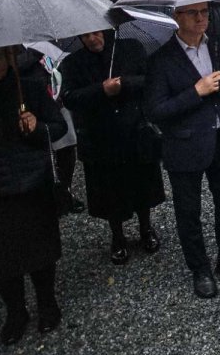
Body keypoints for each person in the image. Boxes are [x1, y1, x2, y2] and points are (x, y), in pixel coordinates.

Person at [145, 2, 220, 299]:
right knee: (188, 211)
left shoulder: (219, 45)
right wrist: (196, 92)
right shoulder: (161, 59)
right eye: (193, 13)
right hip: (185, 143)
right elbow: (155, 110)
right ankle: (200, 268)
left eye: (204, 12)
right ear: (177, 17)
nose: (201, 18)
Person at [58, 32, 164, 265]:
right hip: (100, 137)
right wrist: (101, 90)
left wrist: (124, 84)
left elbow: (150, 80)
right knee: (109, 190)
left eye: (96, 33)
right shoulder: (73, 62)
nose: (92, 39)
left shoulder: (131, 48)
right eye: (86, 36)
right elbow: (70, 98)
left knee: (142, 183)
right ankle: (117, 236)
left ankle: (146, 228)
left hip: (134, 131)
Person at [0, 48, 66, 345]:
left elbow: (59, 127)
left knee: (40, 250)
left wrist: (38, 127)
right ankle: (16, 311)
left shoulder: (31, 88)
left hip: (32, 183)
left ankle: (47, 302)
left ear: (9, 59)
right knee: (2, 256)